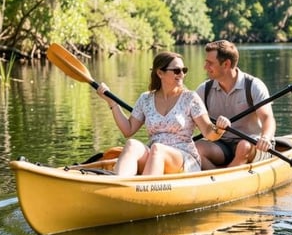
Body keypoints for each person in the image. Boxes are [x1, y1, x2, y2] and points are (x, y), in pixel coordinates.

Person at [96, 51, 231, 176]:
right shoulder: (146, 99)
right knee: (132, 144)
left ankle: (144, 192)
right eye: (177, 71)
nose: (181, 74)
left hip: (184, 158)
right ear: (160, 73)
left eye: (184, 70)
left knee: (158, 149)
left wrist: (219, 129)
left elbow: (209, 132)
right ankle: (119, 186)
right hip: (154, 155)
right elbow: (128, 130)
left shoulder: (190, 98)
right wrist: (112, 103)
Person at [195, 40, 276, 170]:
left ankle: (224, 178)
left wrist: (266, 137)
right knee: (196, 149)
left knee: (243, 147)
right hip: (220, 145)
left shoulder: (253, 86)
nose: (205, 67)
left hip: (252, 144)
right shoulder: (204, 90)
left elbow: (267, 118)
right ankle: (215, 178)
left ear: (226, 64)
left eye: (210, 63)